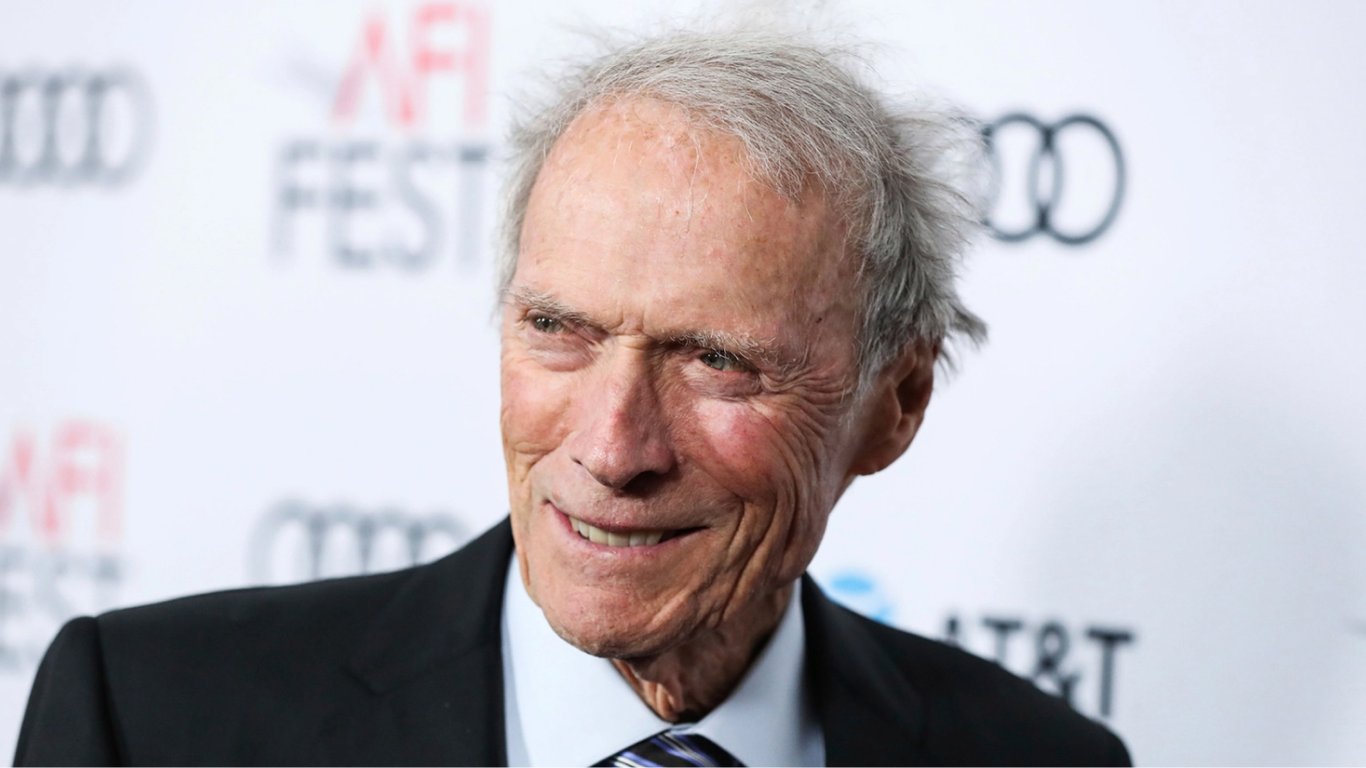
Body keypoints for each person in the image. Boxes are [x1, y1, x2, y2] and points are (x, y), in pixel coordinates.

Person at [15, 29, 1131, 767]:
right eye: (558, 330)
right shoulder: (152, 720)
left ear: (896, 402)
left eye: (714, 360)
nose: (612, 446)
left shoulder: (1040, 760)